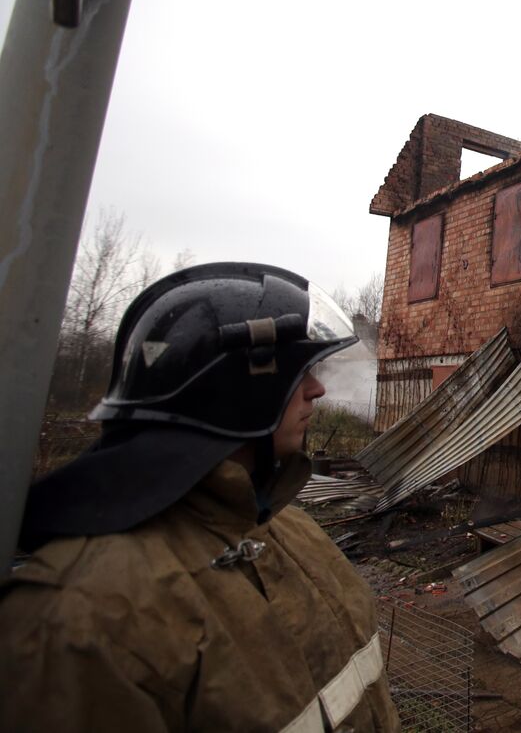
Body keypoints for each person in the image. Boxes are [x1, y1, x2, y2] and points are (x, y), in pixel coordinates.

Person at [0, 263, 400, 732]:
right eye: (298, 373)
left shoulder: (289, 528)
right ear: (236, 392)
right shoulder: (76, 620)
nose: (316, 390)